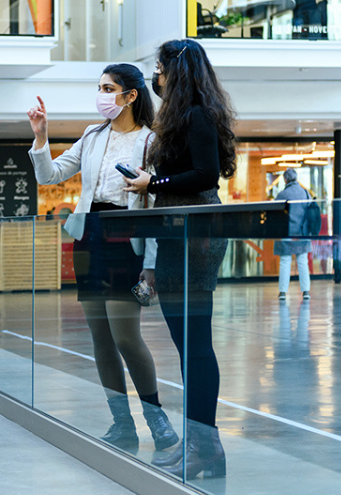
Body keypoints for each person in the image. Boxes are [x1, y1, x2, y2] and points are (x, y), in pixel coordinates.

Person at [27, 63, 178, 453]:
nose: (102, 95)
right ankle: (122, 423)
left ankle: (156, 419)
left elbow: (157, 207)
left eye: (109, 88)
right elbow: (50, 176)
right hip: (89, 236)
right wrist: (41, 137)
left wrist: (152, 265)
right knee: (100, 337)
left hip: (127, 240)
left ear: (131, 95)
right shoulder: (93, 135)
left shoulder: (152, 141)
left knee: (126, 336)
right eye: (100, 88)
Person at [124, 38, 236, 479]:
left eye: (160, 67)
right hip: (179, 236)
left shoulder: (197, 115)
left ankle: (204, 447)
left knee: (195, 348)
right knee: (189, 348)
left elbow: (206, 174)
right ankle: (202, 446)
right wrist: (155, 183)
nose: (157, 75)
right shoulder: (184, 116)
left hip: (195, 238)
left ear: (177, 71)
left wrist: (154, 182)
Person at [274, 168, 312, 301]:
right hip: (302, 233)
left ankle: (283, 292)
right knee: (302, 262)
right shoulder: (305, 193)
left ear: (285, 180)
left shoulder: (282, 195)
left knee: (285, 261)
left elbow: (275, 214)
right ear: (296, 179)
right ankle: (306, 291)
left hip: (287, 232)